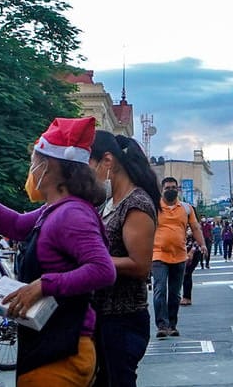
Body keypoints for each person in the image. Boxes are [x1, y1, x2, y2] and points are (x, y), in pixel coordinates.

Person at [0, 116, 115, 387]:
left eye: (35, 160)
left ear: (50, 166)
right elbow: (17, 225)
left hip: (63, 351)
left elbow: (103, 270)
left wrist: (43, 285)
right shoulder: (52, 210)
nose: (31, 169)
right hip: (49, 343)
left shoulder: (72, 214)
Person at [86, 131, 159, 387]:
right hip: (103, 315)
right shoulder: (107, 204)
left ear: (108, 161)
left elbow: (140, 266)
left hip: (123, 318)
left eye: (90, 164)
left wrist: (91, 263)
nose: (88, 172)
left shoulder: (136, 204)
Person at [151, 176, 205, 339]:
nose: (171, 190)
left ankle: (172, 325)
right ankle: (162, 325)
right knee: (160, 290)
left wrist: (202, 244)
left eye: (173, 187)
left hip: (180, 256)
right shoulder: (154, 207)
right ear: (162, 190)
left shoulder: (187, 208)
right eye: (167, 188)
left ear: (178, 189)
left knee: (175, 293)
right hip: (158, 254)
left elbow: (195, 228)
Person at [181, 218, 202, 305]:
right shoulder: (182, 224)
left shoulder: (194, 225)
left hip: (193, 253)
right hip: (182, 253)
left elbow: (198, 240)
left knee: (187, 274)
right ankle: (185, 297)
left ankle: (187, 297)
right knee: (184, 275)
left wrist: (191, 252)